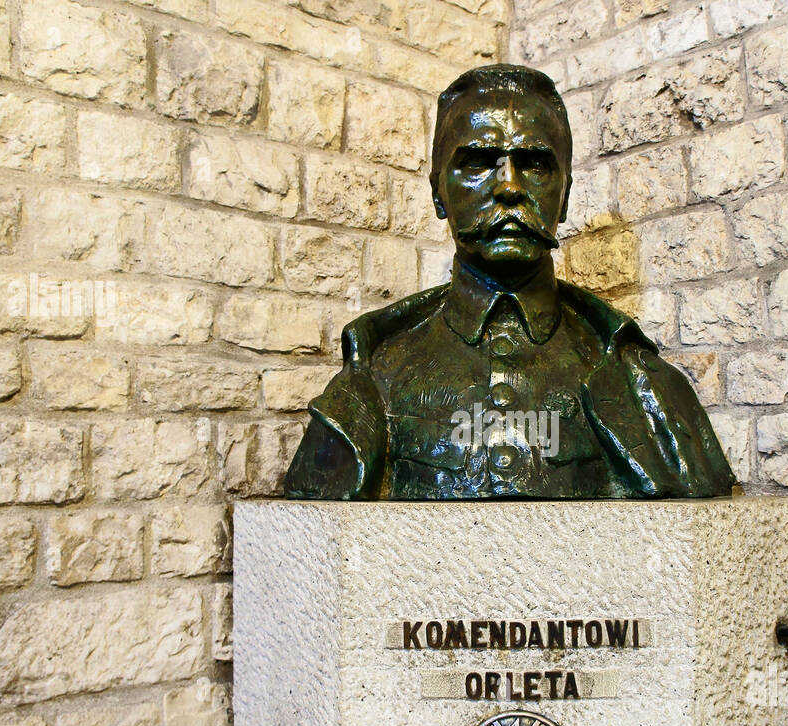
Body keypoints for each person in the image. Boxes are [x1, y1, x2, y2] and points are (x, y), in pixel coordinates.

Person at [283, 64, 735, 500]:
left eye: (535, 165)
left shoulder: (635, 376)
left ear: (565, 195)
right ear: (439, 193)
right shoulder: (376, 368)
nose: (509, 187)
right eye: (479, 163)